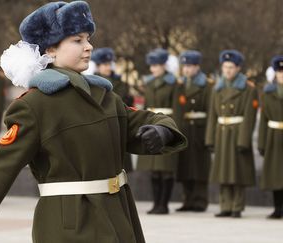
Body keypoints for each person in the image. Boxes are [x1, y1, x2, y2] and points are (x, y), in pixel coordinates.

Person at [0, 1, 187, 243]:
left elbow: (143, 119)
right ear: (51, 50)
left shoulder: (104, 96)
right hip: (70, 225)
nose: (88, 46)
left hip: (120, 217)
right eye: (77, 40)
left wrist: (162, 130)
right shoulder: (34, 106)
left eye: (88, 38)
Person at [205, 50, 258, 218]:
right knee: (223, 171)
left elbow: (250, 116)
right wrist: (210, 138)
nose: (227, 70)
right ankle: (225, 205)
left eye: (231, 67)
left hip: (237, 132)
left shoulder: (247, 89)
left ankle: (237, 206)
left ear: (238, 68)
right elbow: (213, 115)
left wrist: (244, 139)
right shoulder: (217, 88)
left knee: (238, 171)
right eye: (225, 66)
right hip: (222, 132)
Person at [136, 48, 179, 214]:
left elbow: (177, 110)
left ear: (164, 66)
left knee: (165, 170)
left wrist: (174, 131)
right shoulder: (149, 83)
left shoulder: (173, 84)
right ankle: (156, 204)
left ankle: (164, 204)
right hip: (152, 125)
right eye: (152, 66)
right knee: (153, 171)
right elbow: (146, 107)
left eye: (156, 65)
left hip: (166, 127)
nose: (153, 69)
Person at [173, 50, 212, 212]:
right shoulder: (181, 85)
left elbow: (211, 110)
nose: (186, 70)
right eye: (184, 66)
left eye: (189, 66)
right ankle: (187, 199)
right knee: (185, 166)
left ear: (197, 67)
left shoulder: (206, 85)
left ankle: (200, 200)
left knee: (199, 167)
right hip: (185, 128)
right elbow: (177, 108)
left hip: (199, 129)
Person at [91, 47, 134, 171]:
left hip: (118, 123)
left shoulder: (120, 82)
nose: (108, 67)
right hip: (101, 124)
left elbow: (127, 103)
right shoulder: (92, 83)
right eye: (105, 64)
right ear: (98, 66)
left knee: (121, 165)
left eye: (109, 64)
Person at [258, 55, 283, 219]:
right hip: (274, 136)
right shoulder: (268, 93)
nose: (282, 75)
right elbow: (264, 120)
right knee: (275, 174)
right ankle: (277, 208)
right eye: (279, 72)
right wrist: (262, 142)